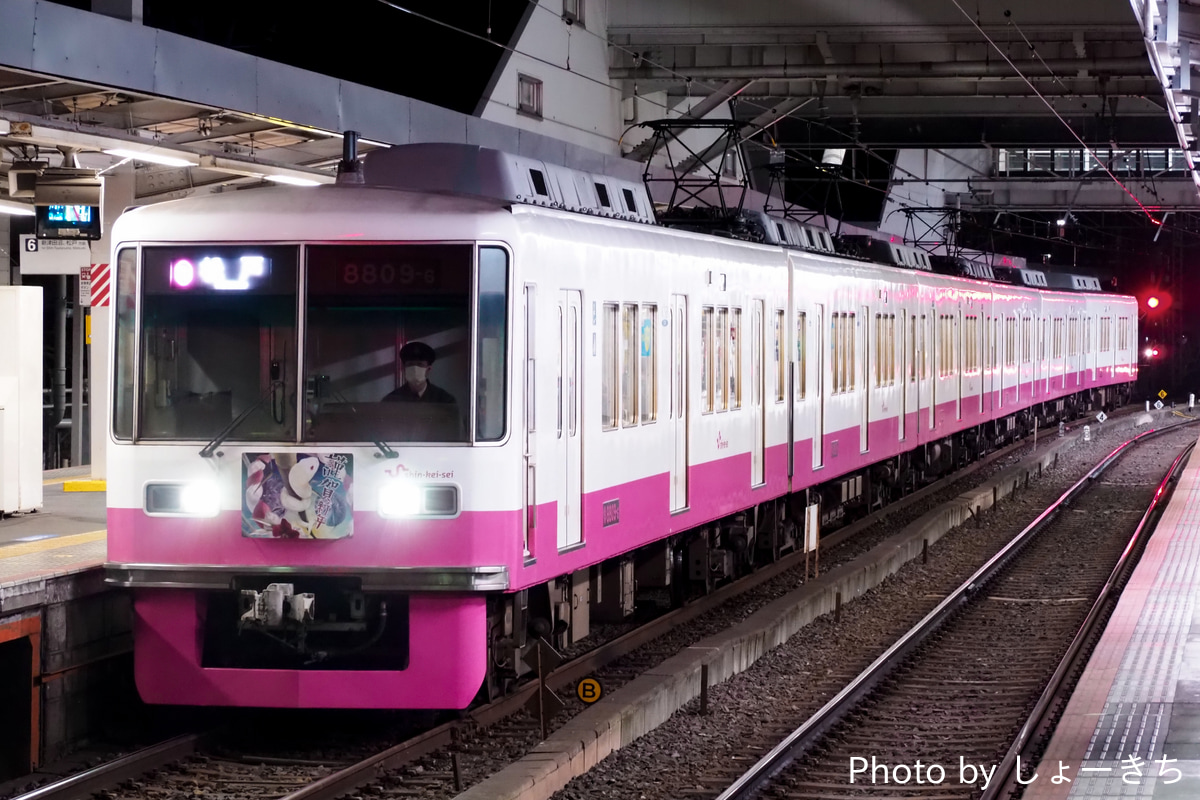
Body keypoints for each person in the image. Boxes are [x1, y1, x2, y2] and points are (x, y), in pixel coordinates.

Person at [384, 341, 458, 405]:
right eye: (410, 364)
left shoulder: (444, 400)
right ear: (404, 369)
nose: (415, 368)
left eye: (420, 364)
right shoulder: (391, 401)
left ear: (428, 369)